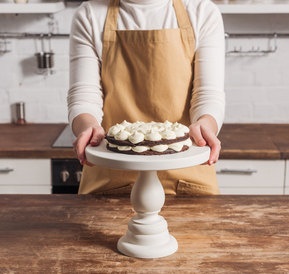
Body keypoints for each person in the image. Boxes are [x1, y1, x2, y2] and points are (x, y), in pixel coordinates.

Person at [68, 0, 225, 195]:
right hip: (111, 179)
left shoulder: (202, 12)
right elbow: (84, 97)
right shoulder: (90, 15)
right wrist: (87, 127)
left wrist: (206, 125)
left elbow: (207, 94)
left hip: (188, 178)